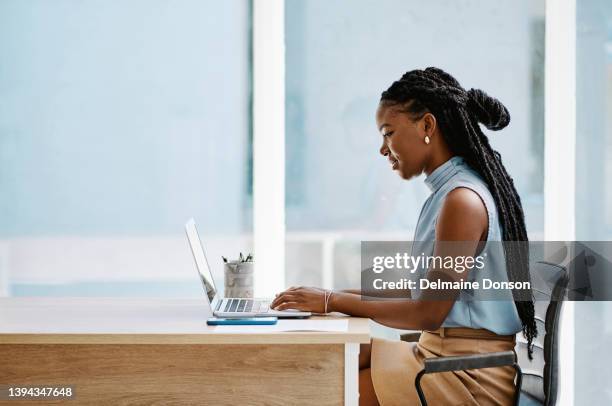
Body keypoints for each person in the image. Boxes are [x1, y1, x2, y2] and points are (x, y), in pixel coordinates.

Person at [271, 67, 536, 405]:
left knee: (332, 389)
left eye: (388, 133)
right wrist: (332, 295)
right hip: (441, 360)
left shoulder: (462, 200)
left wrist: (332, 302)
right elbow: (423, 291)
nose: (383, 149)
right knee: (330, 364)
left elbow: (428, 312)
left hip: (467, 378)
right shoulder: (448, 193)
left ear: (427, 126)